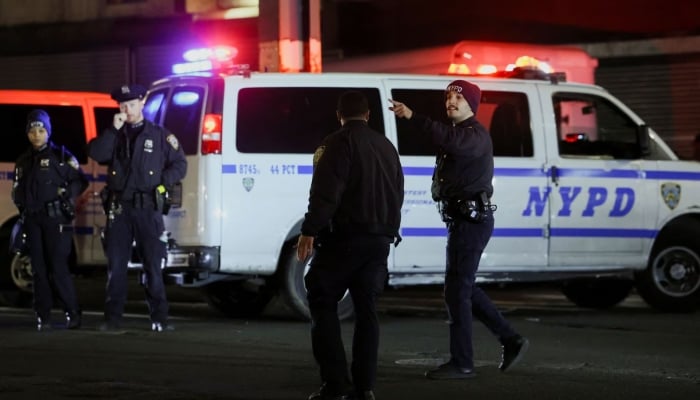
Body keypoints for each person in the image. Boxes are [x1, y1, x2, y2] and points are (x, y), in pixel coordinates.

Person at [388, 80, 529, 379]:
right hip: (461, 221)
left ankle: (463, 363)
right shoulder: (460, 134)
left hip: (471, 222)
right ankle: (510, 338)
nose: (451, 101)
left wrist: (414, 117)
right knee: (462, 287)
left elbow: (447, 139)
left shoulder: (474, 135)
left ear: (472, 105)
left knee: (457, 291)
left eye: (458, 98)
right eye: (448, 96)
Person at [297, 90, 404, 400]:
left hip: (345, 238)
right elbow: (397, 192)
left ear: (339, 115)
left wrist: (309, 230)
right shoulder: (386, 147)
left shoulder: (335, 143)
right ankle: (364, 387)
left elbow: (325, 192)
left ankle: (335, 382)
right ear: (368, 115)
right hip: (380, 240)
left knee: (321, 297)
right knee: (367, 311)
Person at [88, 84, 187, 332]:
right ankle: (112, 319)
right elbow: (96, 153)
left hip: (147, 208)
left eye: (131, 104)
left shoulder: (159, 134)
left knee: (153, 265)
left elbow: (180, 164)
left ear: (142, 103)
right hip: (119, 209)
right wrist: (113, 129)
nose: (127, 109)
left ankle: (159, 318)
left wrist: (161, 182)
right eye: (122, 105)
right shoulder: (115, 135)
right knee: (117, 266)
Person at [11, 109, 88, 331]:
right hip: (33, 220)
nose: (37, 134)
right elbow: (18, 191)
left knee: (58, 267)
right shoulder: (23, 161)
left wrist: (65, 196)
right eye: (33, 130)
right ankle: (42, 315)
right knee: (38, 269)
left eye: (41, 130)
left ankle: (72, 313)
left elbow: (80, 181)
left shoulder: (61, 156)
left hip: (56, 220)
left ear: (48, 132)